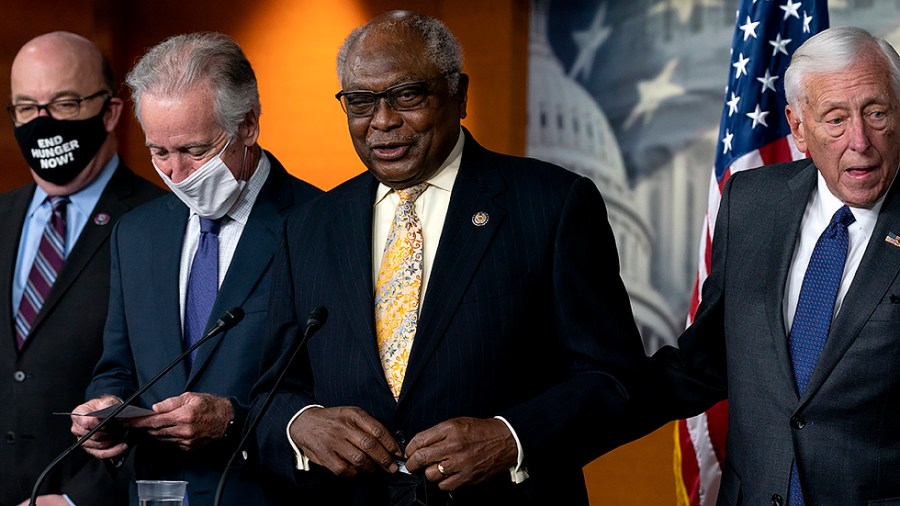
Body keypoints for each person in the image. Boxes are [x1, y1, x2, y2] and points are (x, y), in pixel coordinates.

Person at [251, 10, 647, 505]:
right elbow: (270, 394)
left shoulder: (552, 204)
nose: (382, 121)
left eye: (407, 95)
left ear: (458, 94)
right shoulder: (307, 227)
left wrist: (512, 437)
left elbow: (617, 380)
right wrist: (299, 424)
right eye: (360, 102)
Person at [641, 26, 900, 505]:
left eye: (877, 113)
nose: (860, 140)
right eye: (836, 119)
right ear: (798, 128)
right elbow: (702, 364)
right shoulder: (750, 201)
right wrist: (531, 429)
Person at [68, 32, 321, 506]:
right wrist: (105, 409)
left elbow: (340, 394)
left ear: (248, 125)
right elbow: (118, 368)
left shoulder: (318, 224)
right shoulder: (136, 233)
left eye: (194, 151)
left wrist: (233, 420)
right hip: (154, 492)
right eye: (159, 152)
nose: (176, 174)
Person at [0, 32, 164, 506]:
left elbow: (169, 391)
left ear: (110, 112)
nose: (43, 122)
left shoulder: (160, 223)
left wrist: (78, 501)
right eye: (26, 108)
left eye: (65, 103)